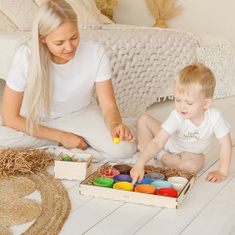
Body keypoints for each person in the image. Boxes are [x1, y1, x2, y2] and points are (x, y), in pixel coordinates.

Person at [0, 0, 136, 160]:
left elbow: (108, 106)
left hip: (78, 115)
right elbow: (10, 118)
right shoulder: (25, 55)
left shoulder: (95, 53)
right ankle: (66, 140)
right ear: (43, 39)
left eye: (74, 37)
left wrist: (115, 125)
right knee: (3, 137)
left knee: (124, 149)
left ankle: (58, 140)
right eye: (59, 43)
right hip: (34, 120)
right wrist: (62, 137)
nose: (70, 47)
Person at [131, 63, 232, 184]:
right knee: (143, 120)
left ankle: (160, 155)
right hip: (169, 142)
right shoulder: (177, 115)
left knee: (189, 167)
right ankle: (156, 153)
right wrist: (140, 164)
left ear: (205, 104)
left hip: (193, 154)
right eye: (177, 100)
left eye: (189, 103)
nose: (182, 107)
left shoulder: (215, 117)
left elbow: (225, 144)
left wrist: (222, 171)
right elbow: (158, 141)